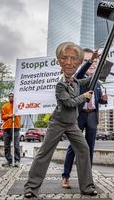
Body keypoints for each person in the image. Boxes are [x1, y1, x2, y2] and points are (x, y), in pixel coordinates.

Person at [24, 42, 97, 198]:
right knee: (44, 153)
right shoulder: (60, 85)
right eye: (65, 59)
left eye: (74, 60)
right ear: (61, 65)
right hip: (57, 123)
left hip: (72, 124)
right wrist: (83, 96)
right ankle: (31, 188)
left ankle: (87, 187)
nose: (70, 64)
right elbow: (69, 103)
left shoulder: (76, 81)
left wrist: (95, 62)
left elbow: (89, 80)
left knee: (84, 150)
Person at [61, 48, 107, 189]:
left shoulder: (98, 83)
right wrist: (91, 59)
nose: (92, 64)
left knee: (89, 148)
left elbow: (97, 100)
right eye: (88, 61)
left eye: (94, 62)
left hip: (92, 115)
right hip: (80, 115)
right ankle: (66, 177)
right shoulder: (79, 78)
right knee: (73, 146)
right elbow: (81, 72)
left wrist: (103, 100)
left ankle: (87, 178)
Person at [1, 92, 21, 167]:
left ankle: (17, 160)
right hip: (6, 128)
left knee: (16, 145)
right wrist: (9, 115)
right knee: (6, 146)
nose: (11, 97)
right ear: (8, 97)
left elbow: (20, 114)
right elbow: (2, 116)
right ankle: (9, 160)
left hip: (15, 127)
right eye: (10, 96)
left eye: (12, 96)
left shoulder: (18, 106)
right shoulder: (5, 106)